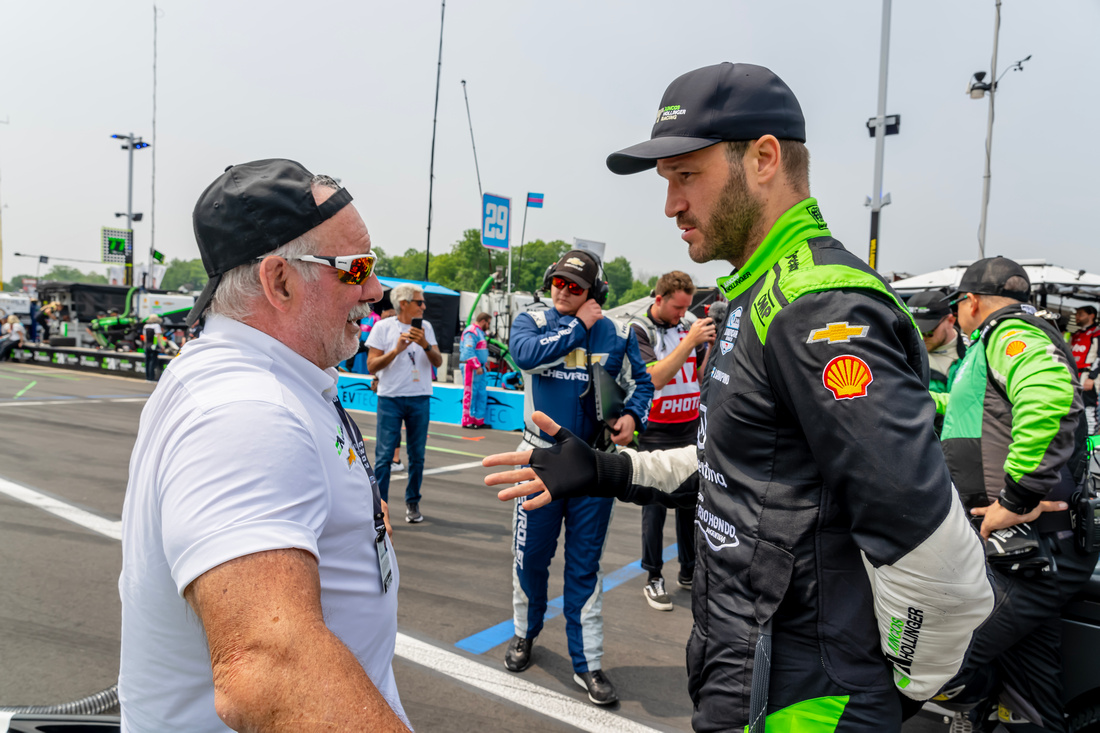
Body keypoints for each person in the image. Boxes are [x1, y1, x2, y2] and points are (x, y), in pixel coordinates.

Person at [485, 62, 993, 732]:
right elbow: (743, 462)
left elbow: (940, 561)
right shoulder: (754, 296)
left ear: (763, 159)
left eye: (686, 176)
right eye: (667, 183)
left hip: (808, 700)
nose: (670, 205)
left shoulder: (817, 307)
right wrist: (609, 469)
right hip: (745, 671)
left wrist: (893, 697)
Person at [118, 159, 410, 732]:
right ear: (279, 281)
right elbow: (267, 669)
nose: (376, 291)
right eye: (356, 269)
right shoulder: (247, 413)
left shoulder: (256, 380)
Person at [935, 258, 1098, 732]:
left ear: (971, 302)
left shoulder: (1010, 332)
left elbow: (1049, 397)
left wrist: (1016, 498)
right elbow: (972, 411)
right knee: (1027, 696)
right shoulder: (997, 341)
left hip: (1030, 548)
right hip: (1029, 550)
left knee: (932, 660)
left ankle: (973, 711)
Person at [503, 249, 653, 706]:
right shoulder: (530, 320)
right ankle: (524, 634)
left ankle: (586, 662)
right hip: (539, 461)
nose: (564, 292)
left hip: (593, 465)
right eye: (559, 283)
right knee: (530, 559)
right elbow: (525, 358)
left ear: (595, 293)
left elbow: (641, 384)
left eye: (576, 287)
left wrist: (632, 417)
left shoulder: (622, 332)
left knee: (584, 569)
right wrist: (580, 326)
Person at [628, 270, 714, 611]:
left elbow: (698, 374)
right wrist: (690, 340)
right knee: (655, 506)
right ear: (659, 299)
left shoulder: (688, 323)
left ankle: (689, 571)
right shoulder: (639, 328)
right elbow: (657, 378)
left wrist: (707, 347)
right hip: (655, 429)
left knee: (690, 504)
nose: (683, 314)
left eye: (687, 308)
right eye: (678, 308)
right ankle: (653, 576)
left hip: (688, 425)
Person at [367, 282, 442, 524]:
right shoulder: (382, 327)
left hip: (419, 397)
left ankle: (413, 503)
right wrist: (397, 350)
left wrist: (425, 345)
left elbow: (438, 362)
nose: (424, 306)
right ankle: (380, 509)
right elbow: (372, 365)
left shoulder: (426, 328)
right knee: (384, 457)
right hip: (390, 398)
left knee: (417, 456)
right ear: (404, 304)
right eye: (419, 302)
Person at [908, 289, 964, 435]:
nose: (922, 338)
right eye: (916, 331)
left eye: (928, 331)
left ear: (951, 321)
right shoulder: (904, 356)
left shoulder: (973, 353)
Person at [459, 312, 492, 429]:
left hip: (480, 368)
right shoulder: (471, 331)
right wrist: (477, 365)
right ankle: (467, 420)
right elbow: (468, 351)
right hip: (471, 367)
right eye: (488, 323)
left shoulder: (480, 332)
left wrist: (484, 364)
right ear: (483, 321)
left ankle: (478, 421)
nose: (489, 326)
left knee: (481, 394)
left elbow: (480, 350)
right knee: (470, 393)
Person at [1071, 305, 1100, 434]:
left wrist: (1092, 377)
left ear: (1091, 316)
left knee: (1089, 410)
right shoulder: (1076, 334)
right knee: (1074, 409)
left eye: (1081, 314)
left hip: (1088, 376)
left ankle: (1092, 445)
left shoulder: (1097, 332)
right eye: (1076, 314)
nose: (1077, 317)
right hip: (1074, 374)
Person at [142, 314, 164, 382]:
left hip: (147, 345)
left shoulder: (146, 326)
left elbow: (145, 338)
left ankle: (147, 377)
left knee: (147, 361)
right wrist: (161, 346)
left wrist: (145, 345)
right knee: (152, 361)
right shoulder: (156, 326)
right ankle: (151, 377)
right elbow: (158, 337)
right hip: (153, 345)